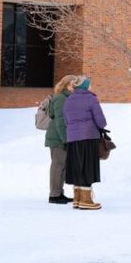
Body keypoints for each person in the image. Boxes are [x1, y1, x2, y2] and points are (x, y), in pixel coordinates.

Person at [63, 75, 107, 210]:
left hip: (72, 138)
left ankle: (77, 198)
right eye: (89, 84)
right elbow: (101, 121)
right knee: (87, 167)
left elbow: (66, 120)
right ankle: (86, 200)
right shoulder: (90, 98)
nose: (91, 86)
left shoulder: (69, 100)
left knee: (77, 166)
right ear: (85, 86)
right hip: (88, 137)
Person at [44, 75, 77, 204]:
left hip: (62, 136)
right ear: (66, 85)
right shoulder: (60, 99)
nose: (75, 87)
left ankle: (59, 192)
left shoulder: (66, 98)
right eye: (73, 84)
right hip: (58, 138)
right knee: (58, 166)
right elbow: (60, 121)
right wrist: (65, 139)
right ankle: (54, 195)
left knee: (62, 166)